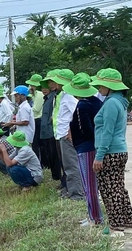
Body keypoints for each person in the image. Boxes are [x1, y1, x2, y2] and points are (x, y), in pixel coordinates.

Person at [91, 68, 132, 236]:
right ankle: (129, 222)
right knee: (118, 188)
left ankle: (116, 227)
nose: (99, 89)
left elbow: (107, 132)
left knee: (109, 189)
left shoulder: (111, 103)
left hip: (110, 151)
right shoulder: (119, 101)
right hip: (119, 150)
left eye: (101, 85)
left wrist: (99, 155)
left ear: (109, 85)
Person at [65, 73, 104, 226]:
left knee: (89, 185)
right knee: (91, 184)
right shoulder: (95, 102)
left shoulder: (82, 106)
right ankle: (92, 215)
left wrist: (77, 138)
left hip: (86, 147)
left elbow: (86, 129)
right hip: (92, 146)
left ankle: (95, 218)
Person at [50, 68, 84, 200]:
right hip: (61, 135)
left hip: (66, 135)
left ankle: (77, 194)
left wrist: (71, 130)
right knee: (67, 166)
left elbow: (77, 114)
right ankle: (72, 191)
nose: (55, 84)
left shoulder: (69, 96)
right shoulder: (63, 95)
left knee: (71, 166)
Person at [40, 72, 63, 182]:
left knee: (55, 155)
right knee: (49, 154)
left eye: (52, 82)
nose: (50, 85)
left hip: (53, 131)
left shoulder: (56, 96)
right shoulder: (48, 98)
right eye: (49, 82)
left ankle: (57, 177)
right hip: (46, 131)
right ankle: (56, 177)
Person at [26, 74, 44, 162]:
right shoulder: (34, 95)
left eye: (32, 85)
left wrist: (27, 112)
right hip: (35, 119)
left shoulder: (40, 94)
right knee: (35, 143)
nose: (30, 87)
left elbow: (36, 109)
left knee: (37, 143)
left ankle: (40, 162)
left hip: (38, 119)